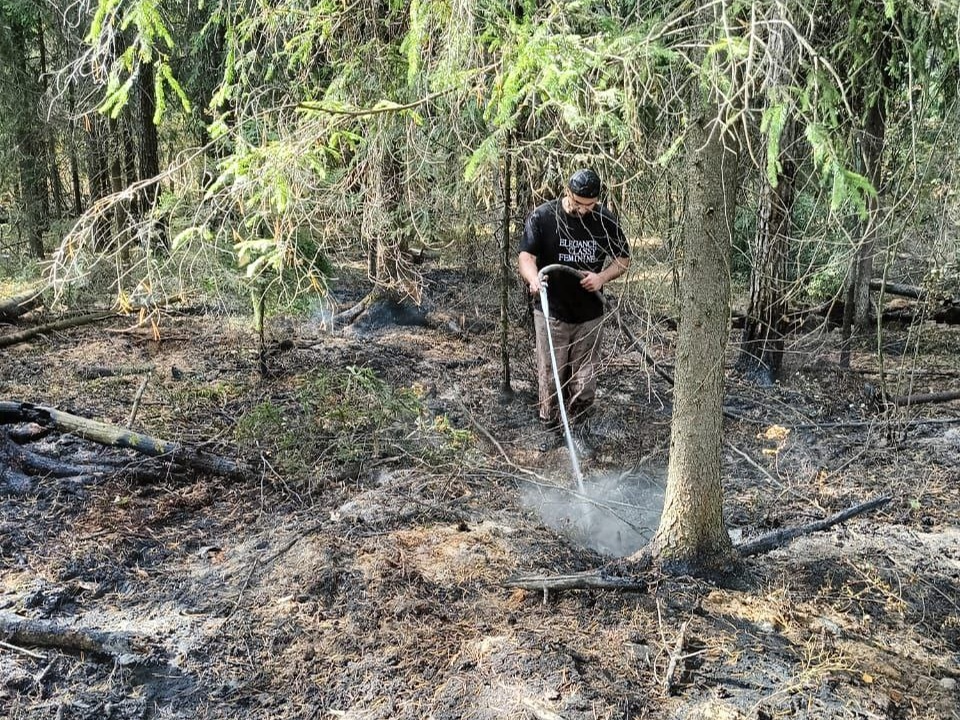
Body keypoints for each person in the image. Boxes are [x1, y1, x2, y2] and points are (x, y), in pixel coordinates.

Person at [518, 169, 630, 449]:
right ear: (568, 193)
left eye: (590, 205)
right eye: (579, 204)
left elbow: (623, 259)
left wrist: (601, 277)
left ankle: (579, 426)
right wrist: (533, 279)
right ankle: (551, 426)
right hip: (551, 311)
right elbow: (526, 257)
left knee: (585, 376)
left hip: (589, 314)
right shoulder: (543, 217)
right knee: (551, 371)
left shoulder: (604, 220)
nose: (584, 210)